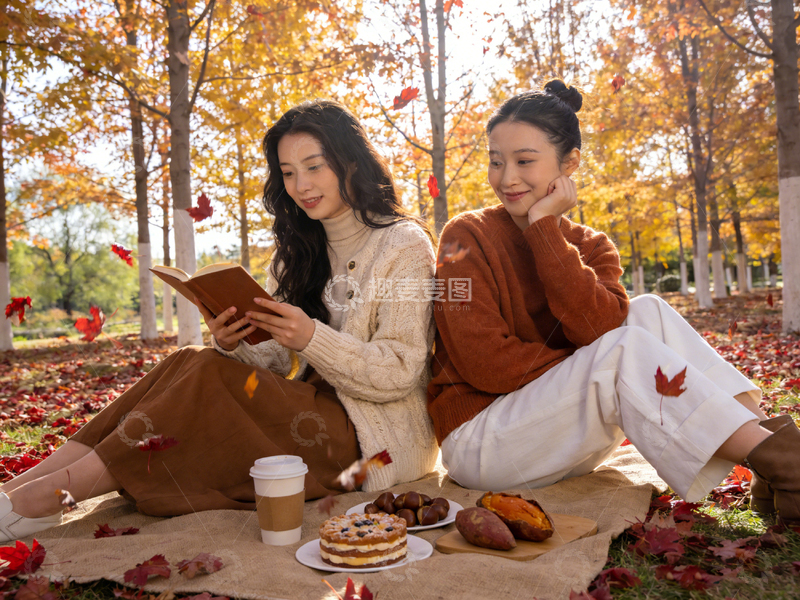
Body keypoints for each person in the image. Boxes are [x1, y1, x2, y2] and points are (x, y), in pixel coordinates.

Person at [0, 100, 439, 543]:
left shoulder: (403, 245)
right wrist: (235, 341)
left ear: (350, 162)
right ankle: (19, 492)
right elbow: (271, 362)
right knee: (192, 357)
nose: (301, 185)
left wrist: (311, 336)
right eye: (287, 173)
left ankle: (43, 500)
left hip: (371, 439)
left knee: (204, 372)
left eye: (313, 167)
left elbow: (401, 371)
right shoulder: (297, 251)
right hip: (303, 405)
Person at [427, 80, 799, 524]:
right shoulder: (465, 236)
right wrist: (587, 359)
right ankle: (786, 465)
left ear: (570, 164)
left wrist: (544, 230)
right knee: (622, 345)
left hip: (564, 433)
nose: (506, 178)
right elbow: (485, 363)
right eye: (495, 162)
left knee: (647, 312)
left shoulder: (591, 245)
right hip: (484, 442)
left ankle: (773, 455)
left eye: (524, 161)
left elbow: (600, 327)